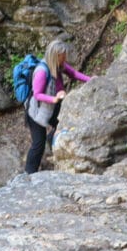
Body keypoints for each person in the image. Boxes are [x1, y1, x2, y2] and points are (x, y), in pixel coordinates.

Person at [25, 39, 91, 174]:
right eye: (63, 56)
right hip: (36, 112)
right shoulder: (42, 71)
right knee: (38, 144)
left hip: (52, 107)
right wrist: (54, 98)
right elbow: (37, 94)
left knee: (62, 126)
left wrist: (91, 80)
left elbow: (73, 74)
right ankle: (29, 174)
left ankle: (54, 144)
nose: (65, 59)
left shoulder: (59, 65)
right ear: (55, 56)